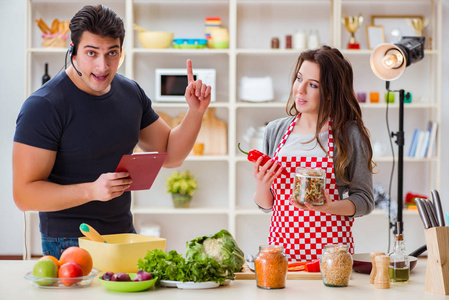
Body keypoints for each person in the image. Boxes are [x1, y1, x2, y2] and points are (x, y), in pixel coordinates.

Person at [13, 5, 211, 259]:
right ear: (72, 51)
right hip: (69, 241)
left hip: (123, 232)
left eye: (112, 53)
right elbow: (24, 195)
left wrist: (195, 112)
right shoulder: (44, 105)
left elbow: (172, 156)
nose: (103, 66)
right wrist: (92, 191)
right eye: (91, 53)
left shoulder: (130, 93)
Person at [252, 46, 375, 262]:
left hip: (332, 258)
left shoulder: (349, 134)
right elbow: (266, 206)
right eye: (299, 79)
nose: (300, 90)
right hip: (282, 254)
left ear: (330, 93)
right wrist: (261, 185)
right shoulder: (275, 131)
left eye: (313, 85)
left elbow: (364, 200)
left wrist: (329, 207)